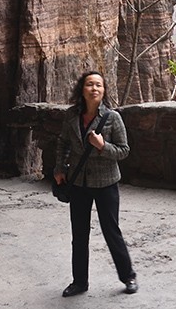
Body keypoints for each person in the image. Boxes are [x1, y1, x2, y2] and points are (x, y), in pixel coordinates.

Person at [53, 70, 137, 297]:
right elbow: (63, 143)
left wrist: (102, 146)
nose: (94, 89)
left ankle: (128, 276)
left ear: (104, 90)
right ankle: (79, 281)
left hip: (106, 183)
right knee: (79, 235)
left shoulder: (112, 118)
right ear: (82, 89)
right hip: (79, 183)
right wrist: (59, 168)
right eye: (90, 84)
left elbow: (124, 151)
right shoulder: (71, 116)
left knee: (111, 231)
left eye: (99, 85)